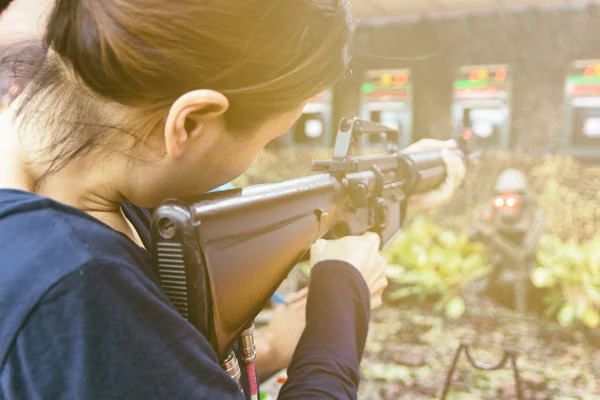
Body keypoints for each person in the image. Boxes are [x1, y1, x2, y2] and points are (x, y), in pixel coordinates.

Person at [0, 1, 465, 399]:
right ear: (192, 122)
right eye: (267, 141)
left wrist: (264, 354)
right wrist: (342, 297)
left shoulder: (78, 191)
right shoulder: (81, 286)